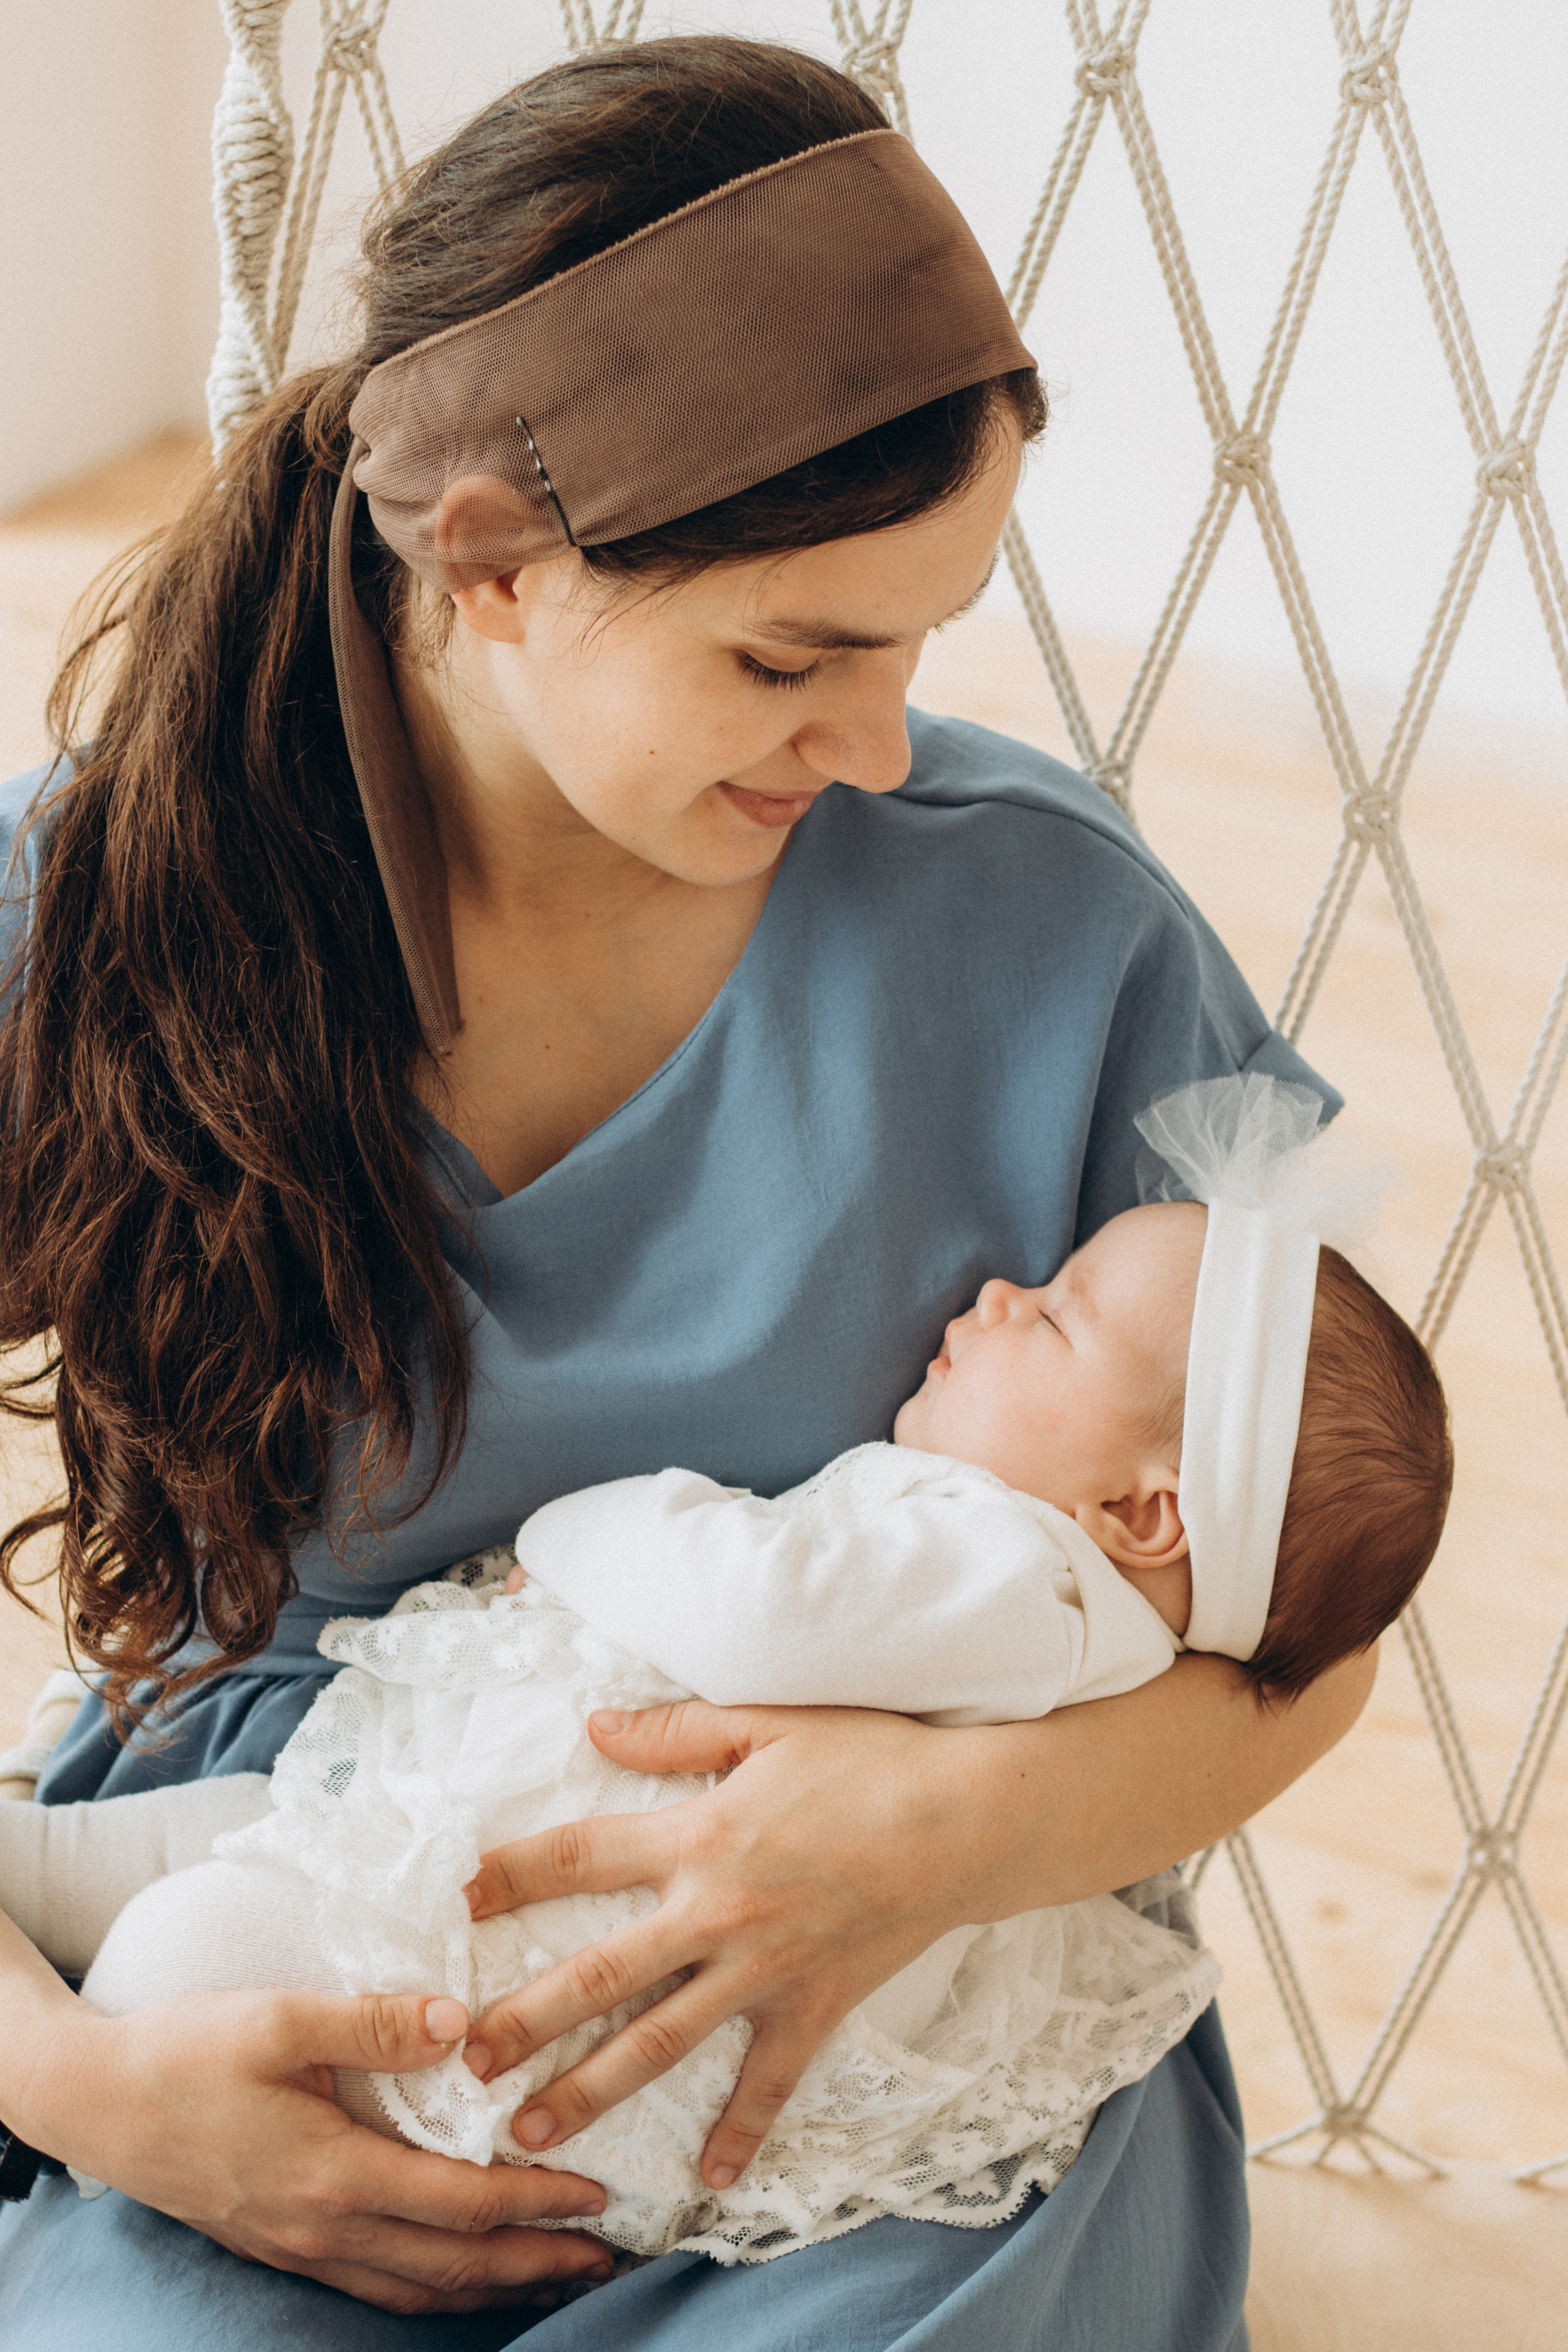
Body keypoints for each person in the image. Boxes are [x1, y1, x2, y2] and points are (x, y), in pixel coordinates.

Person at [0, 36, 1378, 2351]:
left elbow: (1305, 1624)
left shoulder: (1051, 933)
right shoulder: (108, 912)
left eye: (917, 643)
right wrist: (85, 2088)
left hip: (895, 1996)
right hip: (303, 1921)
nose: (877, 740)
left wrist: (928, 1844)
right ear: (491, 562)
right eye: (788, 655)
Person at [0, 1079, 1450, 2271]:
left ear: (1141, 1513)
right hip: (469, 1833)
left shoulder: (1020, 1576)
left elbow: (761, 1609)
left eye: (1057, 1315)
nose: (1004, 1293)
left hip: (511, 1962)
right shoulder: (1042, 1581)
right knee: (259, 1840)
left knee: (203, 1938)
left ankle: (110, 1982)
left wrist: (584, 1529)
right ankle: (60, 1915)